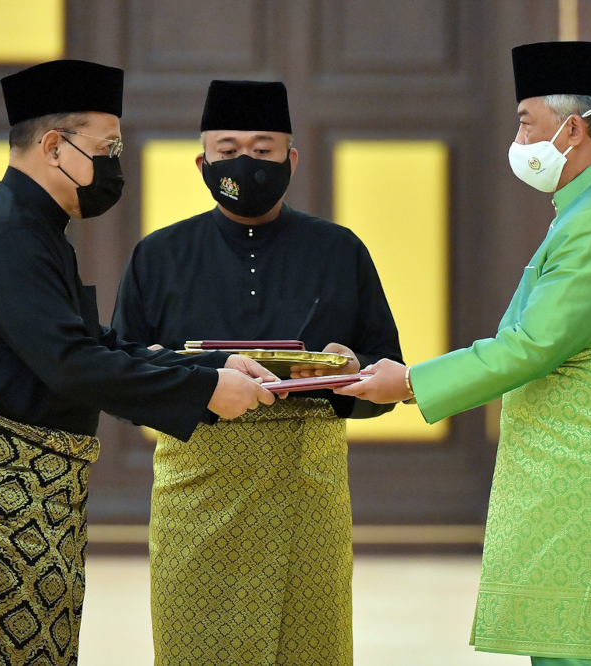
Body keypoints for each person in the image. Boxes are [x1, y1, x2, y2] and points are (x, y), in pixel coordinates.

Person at [0, 60, 277, 666]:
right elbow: (70, 364)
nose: (115, 163)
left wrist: (215, 367)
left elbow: (93, 343)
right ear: (52, 146)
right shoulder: (6, 235)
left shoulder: (35, 230)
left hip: (16, 494)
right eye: (107, 146)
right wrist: (203, 394)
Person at [338, 41, 591, 666]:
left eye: (526, 122)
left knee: (583, 648)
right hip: (571, 463)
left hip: (585, 467)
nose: (518, 138)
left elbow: (532, 346)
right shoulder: (590, 207)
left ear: (572, 129)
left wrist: (411, 383)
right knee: (565, 643)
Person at [112, 79, 403, 665]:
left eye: (264, 150)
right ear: (202, 162)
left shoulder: (339, 249)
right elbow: (121, 370)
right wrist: (202, 378)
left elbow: (384, 372)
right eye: (228, 149)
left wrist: (348, 376)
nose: (246, 162)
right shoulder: (159, 254)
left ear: (292, 159)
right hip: (196, 494)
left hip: (307, 496)